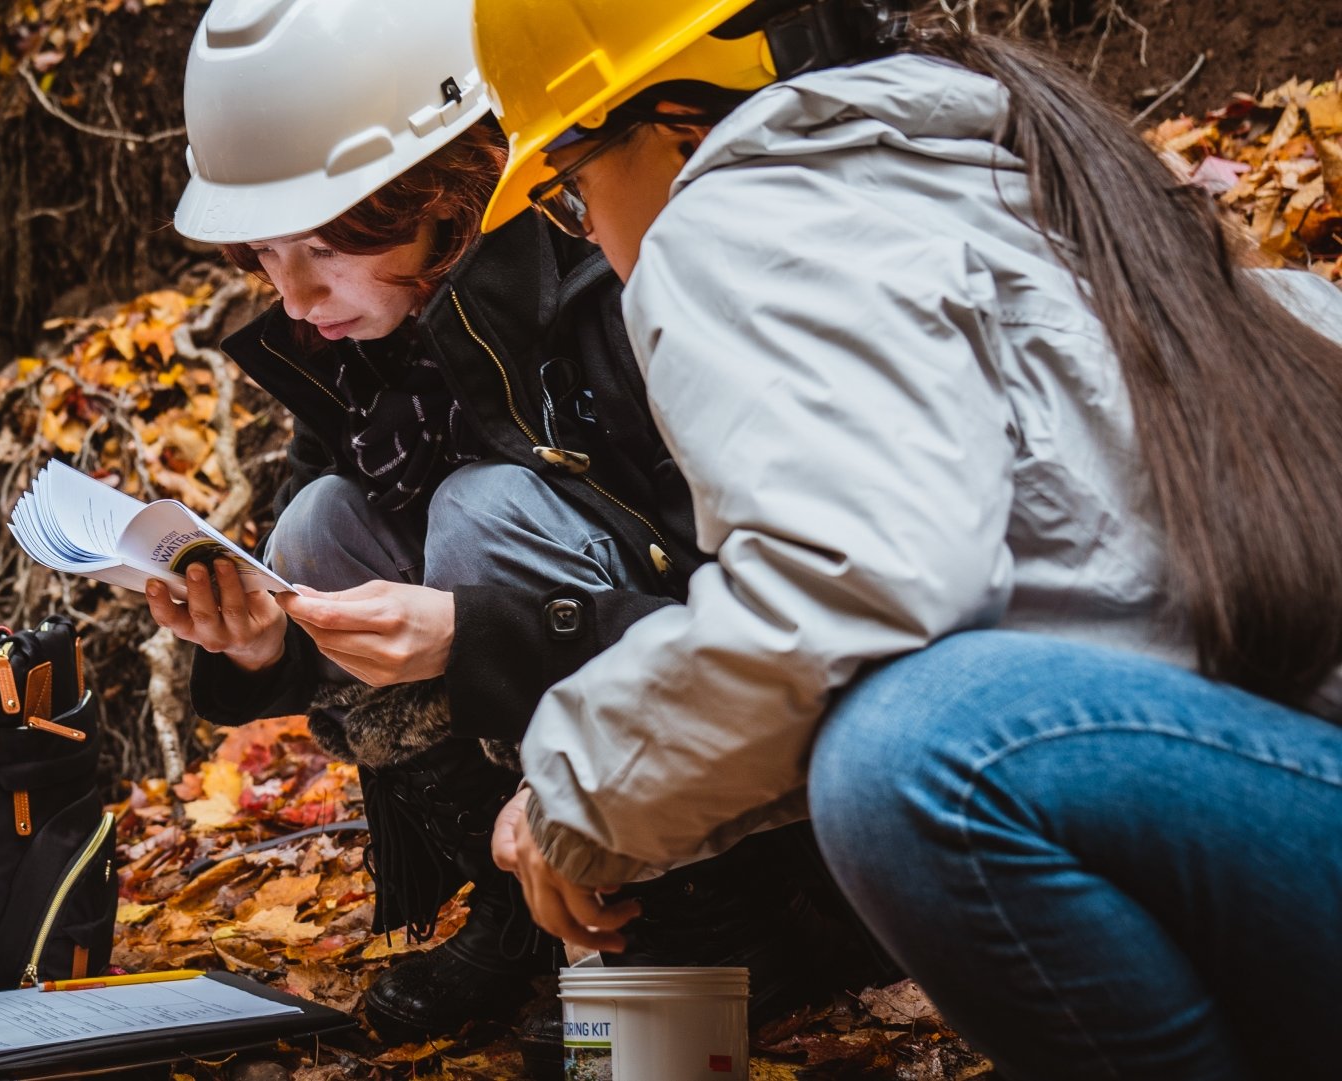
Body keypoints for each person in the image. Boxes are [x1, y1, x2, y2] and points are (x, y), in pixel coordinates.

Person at [471, 1, 1342, 1077]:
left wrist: (572, 789)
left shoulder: (739, 216)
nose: (589, 239)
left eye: (570, 191)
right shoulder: (1049, 183)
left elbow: (851, 593)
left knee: (915, 751)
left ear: (680, 130)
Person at [159, 0, 890, 1042]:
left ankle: (695, 920)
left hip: (745, 757)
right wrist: (263, 638)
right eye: (265, 257)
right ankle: (520, 906)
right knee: (318, 523)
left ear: (443, 188)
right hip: (575, 687)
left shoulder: (613, 264)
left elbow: (758, 603)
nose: (295, 294)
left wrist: (473, 630)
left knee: (480, 512)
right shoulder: (354, 329)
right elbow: (331, 549)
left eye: (324, 246)